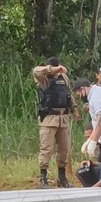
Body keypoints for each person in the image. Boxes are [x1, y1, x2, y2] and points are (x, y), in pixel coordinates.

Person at [33, 57, 79, 188]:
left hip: (63, 118)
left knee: (64, 149)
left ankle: (62, 177)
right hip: (48, 118)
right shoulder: (44, 79)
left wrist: (74, 110)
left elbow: (68, 95)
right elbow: (36, 71)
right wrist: (51, 70)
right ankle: (43, 178)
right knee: (46, 148)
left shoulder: (63, 79)